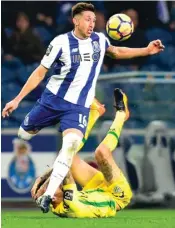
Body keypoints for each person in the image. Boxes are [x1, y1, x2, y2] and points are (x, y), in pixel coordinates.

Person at [2, 2, 165, 213]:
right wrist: (16, 99)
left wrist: (146, 50)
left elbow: (116, 51)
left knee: (70, 145)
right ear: (75, 20)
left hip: (78, 106)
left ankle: (48, 196)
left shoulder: (99, 40)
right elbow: (40, 73)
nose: (92, 24)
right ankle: (34, 136)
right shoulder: (60, 42)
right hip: (52, 101)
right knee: (23, 135)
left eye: (94, 20)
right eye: (88, 20)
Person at [31, 88, 132, 218]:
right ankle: (122, 114)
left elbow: (64, 163)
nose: (56, 183)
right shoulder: (70, 204)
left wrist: (41, 181)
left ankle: (95, 113)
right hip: (116, 195)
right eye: (52, 187)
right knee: (101, 152)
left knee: (68, 155)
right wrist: (43, 182)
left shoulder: (56, 204)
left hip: (94, 189)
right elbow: (65, 172)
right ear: (54, 197)